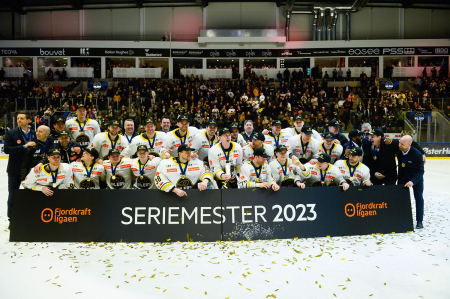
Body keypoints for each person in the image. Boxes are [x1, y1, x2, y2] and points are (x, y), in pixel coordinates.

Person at [4, 112, 37, 226]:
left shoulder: (34, 133)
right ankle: (11, 219)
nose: (19, 120)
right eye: (18, 118)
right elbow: (7, 149)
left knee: (31, 194)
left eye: (22, 118)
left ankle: (31, 217)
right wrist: (24, 146)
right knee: (13, 194)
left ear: (29, 120)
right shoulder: (11, 133)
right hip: (15, 169)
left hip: (31, 170)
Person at [397, 135, 425, 229]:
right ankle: (401, 218)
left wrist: (413, 182)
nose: (399, 145)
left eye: (402, 144)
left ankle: (419, 221)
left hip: (416, 178)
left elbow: (421, 171)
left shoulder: (417, 154)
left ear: (409, 145)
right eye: (399, 143)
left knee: (418, 197)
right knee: (400, 197)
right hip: (403, 177)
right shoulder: (399, 150)